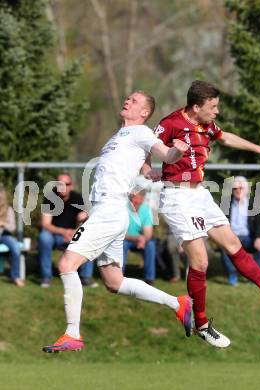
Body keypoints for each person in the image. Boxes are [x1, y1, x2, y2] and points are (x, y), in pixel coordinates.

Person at [144, 80, 260, 348]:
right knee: (201, 263)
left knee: (233, 244)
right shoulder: (170, 123)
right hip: (177, 197)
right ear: (196, 107)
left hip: (200, 194)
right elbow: (146, 146)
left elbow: (226, 136)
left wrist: (258, 148)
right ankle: (202, 324)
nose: (217, 111)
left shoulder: (206, 125)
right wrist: (147, 168)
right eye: (213, 107)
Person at [43, 90, 192, 353]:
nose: (127, 101)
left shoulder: (142, 131)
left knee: (67, 264)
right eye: (128, 98)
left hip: (110, 210)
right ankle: (177, 303)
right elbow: (143, 165)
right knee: (114, 282)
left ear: (144, 113)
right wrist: (150, 172)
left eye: (134, 101)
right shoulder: (119, 136)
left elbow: (164, 153)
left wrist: (174, 153)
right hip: (108, 211)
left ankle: (72, 333)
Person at [38, 173, 96, 288]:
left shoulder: (78, 198)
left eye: (67, 184)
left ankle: (85, 277)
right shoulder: (49, 198)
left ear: (71, 185)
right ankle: (46, 277)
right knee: (44, 238)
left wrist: (75, 232)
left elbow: (83, 222)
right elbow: (45, 224)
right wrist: (64, 232)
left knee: (88, 237)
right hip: (54, 234)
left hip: (73, 234)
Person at [220, 176, 260, 286]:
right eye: (235, 188)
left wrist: (259, 238)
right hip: (231, 237)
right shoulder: (226, 204)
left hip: (248, 238)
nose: (238, 191)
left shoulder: (253, 204)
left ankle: (253, 276)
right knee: (224, 247)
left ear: (246, 190)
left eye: (241, 188)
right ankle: (232, 274)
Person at [123, 191, 157, 284]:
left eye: (140, 198)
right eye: (135, 198)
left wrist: (143, 239)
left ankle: (149, 278)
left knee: (150, 245)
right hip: (125, 239)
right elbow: (119, 233)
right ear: (130, 198)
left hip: (140, 240)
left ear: (143, 199)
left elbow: (148, 232)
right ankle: (118, 276)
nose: (137, 201)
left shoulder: (146, 209)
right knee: (121, 245)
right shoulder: (123, 207)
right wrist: (135, 239)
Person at [0, 185, 24, 287]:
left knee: (15, 246)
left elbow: (12, 227)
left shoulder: (8, 209)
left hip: (5, 235)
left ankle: (15, 276)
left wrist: (3, 224)